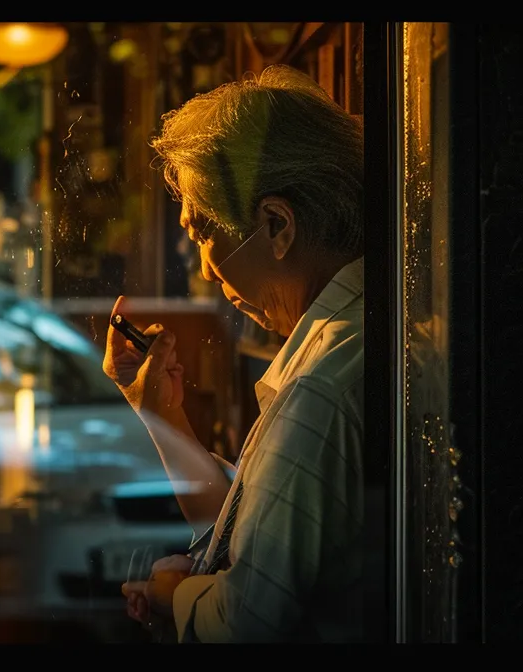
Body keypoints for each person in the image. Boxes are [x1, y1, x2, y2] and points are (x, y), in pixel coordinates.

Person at [104, 64, 365, 643]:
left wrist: (181, 597)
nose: (204, 268)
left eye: (203, 233)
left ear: (276, 225)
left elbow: (245, 622)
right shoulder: (354, 332)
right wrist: (163, 416)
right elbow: (264, 524)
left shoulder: (322, 387)